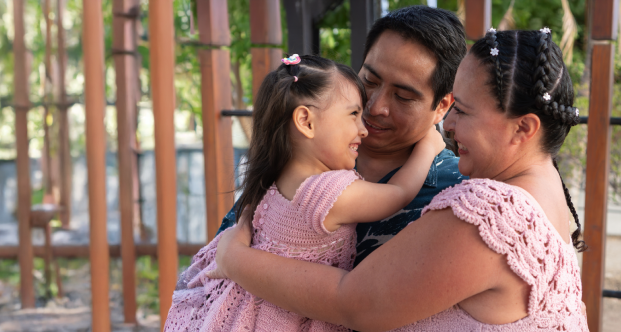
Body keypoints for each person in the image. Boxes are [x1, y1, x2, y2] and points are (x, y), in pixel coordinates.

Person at [210, 29, 589, 331]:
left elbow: (355, 303)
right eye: (369, 82)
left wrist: (233, 258)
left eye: (462, 111)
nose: (450, 126)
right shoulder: (545, 187)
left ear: (524, 127)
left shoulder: (494, 211)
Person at [162, 54, 448, 332]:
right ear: (306, 122)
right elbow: (398, 192)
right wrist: (428, 148)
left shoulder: (275, 179)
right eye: (353, 114)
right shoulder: (331, 192)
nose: (363, 129)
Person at [216, 5, 470, 265]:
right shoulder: (304, 156)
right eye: (369, 80)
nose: (375, 106)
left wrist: (235, 260)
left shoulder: (458, 193)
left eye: (403, 97)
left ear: (442, 105)